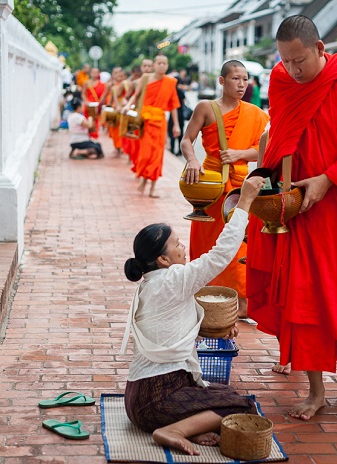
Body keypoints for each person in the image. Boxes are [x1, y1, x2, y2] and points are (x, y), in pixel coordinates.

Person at [246, 15, 337, 420]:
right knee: (303, 293)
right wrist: (269, 185)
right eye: (286, 62)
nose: (293, 70)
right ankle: (315, 389)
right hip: (300, 204)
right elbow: (280, 135)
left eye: (300, 61)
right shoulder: (280, 79)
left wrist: (329, 178)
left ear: (321, 49)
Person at [121, 176, 266, 456]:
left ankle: (190, 426)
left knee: (221, 393)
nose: (182, 248)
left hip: (137, 400)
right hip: (159, 398)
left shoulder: (150, 285)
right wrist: (244, 202)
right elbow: (219, 256)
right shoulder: (174, 278)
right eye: (176, 244)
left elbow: (170, 330)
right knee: (240, 404)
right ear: (163, 260)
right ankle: (172, 430)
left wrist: (215, 328)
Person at [180, 60, 269, 319]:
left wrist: (239, 153)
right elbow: (187, 139)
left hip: (241, 187)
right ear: (222, 81)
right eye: (235, 79)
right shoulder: (206, 108)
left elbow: (264, 148)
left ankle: (242, 302)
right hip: (209, 186)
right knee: (208, 242)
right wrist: (192, 160)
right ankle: (207, 293)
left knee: (240, 243)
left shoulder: (256, 113)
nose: (241, 84)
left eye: (245, 79)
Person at [123, 55, 181, 198]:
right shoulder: (145, 78)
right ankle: (143, 181)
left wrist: (176, 126)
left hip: (160, 122)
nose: (162, 66)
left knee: (157, 155)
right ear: (154, 64)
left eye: (165, 63)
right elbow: (136, 96)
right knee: (145, 154)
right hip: (145, 122)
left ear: (167, 66)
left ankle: (152, 187)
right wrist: (127, 105)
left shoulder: (170, 82)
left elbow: (173, 105)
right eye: (159, 63)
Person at [81, 67, 106, 139]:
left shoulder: (102, 84)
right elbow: (83, 94)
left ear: (98, 74)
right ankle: (87, 136)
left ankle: (94, 136)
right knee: (87, 121)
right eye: (93, 72)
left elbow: (103, 95)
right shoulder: (86, 83)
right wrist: (86, 102)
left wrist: (99, 103)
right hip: (88, 105)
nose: (94, 74)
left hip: (97, 105)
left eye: (96, 72)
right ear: (90, 73)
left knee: (96, 121)